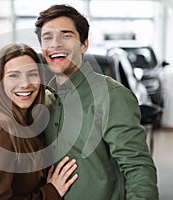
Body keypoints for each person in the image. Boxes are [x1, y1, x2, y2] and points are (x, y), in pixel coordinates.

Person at [34, 4, 159, 199]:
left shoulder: (111, 96)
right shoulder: (42, 99)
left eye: (66, 35)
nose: (55, 44)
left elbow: (138, 169)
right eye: (47, 37)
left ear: (84, 44)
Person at [0, 43, 78, 199]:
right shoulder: (2, 130)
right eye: (14, 75)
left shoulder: (32, 124)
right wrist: (51, 192)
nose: (25, 84)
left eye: (32, 74)